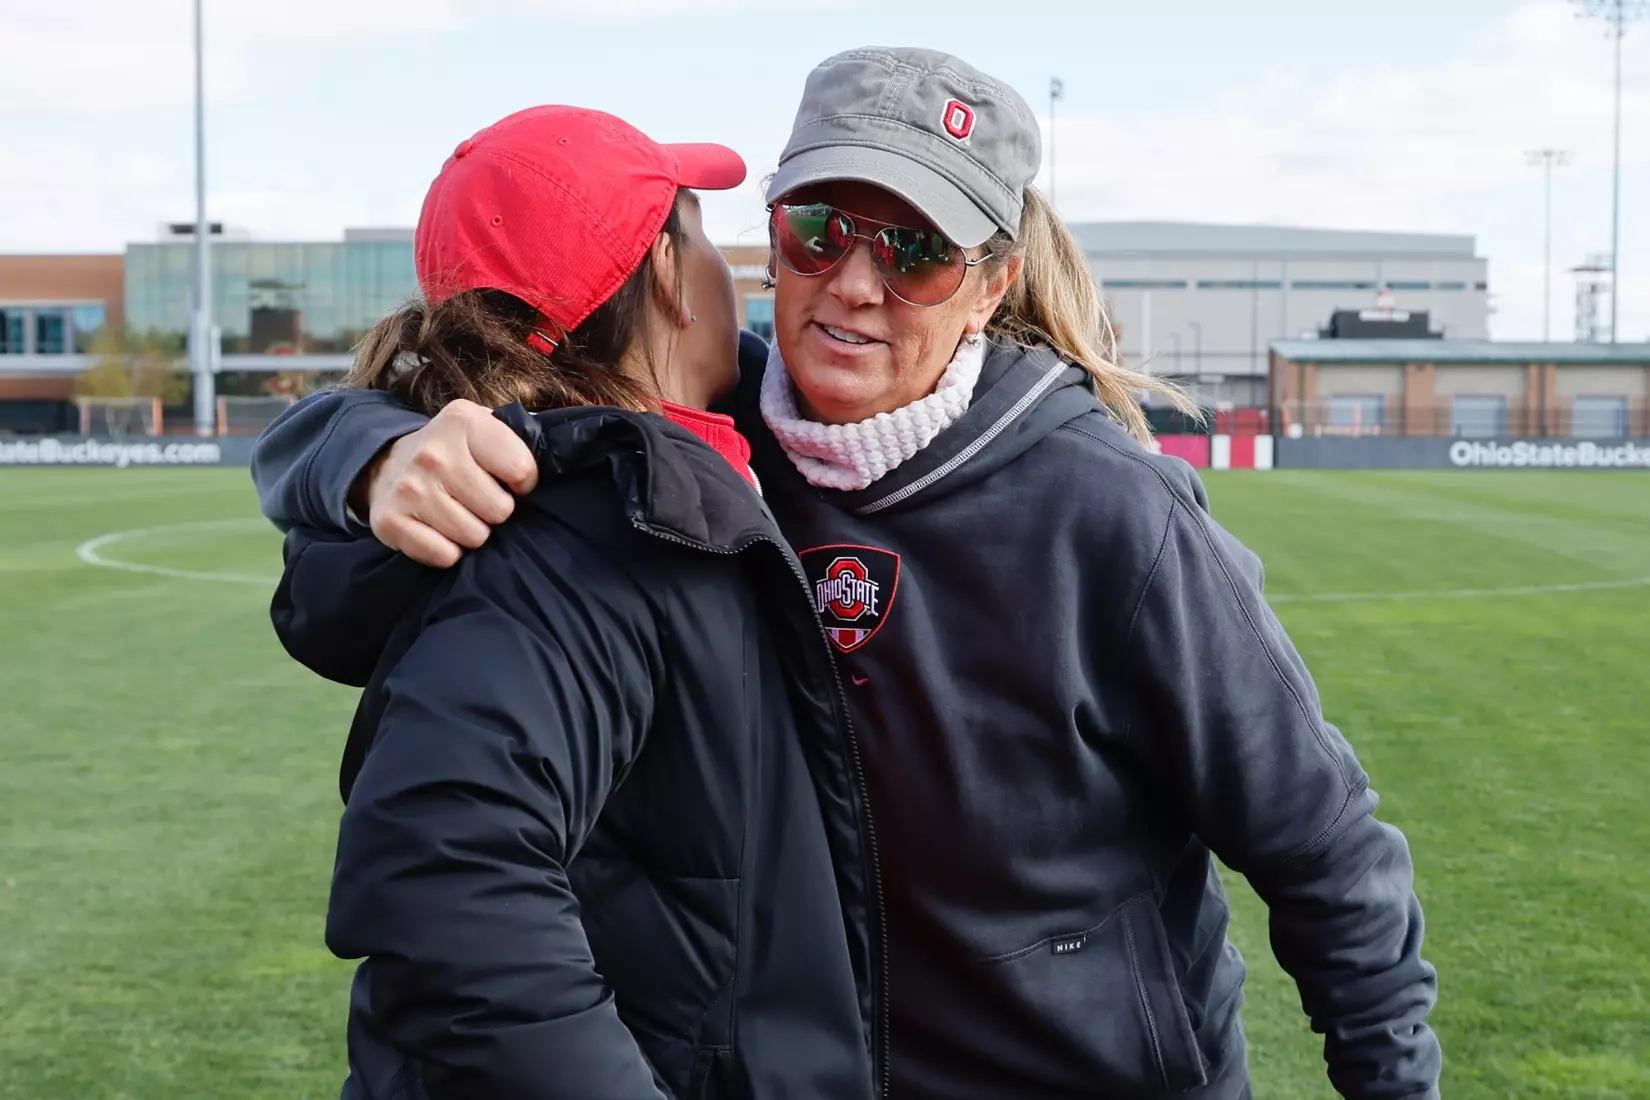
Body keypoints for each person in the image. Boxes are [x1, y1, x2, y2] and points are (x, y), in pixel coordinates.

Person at [253, 50, 1442, 1100]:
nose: (857, 283)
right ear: (762, 239)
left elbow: (1324, 844)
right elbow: (469, 361)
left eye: (917, 250)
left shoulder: (1109, 513)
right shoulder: (698, 444)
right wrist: (370, 455)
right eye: (821, 227)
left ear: (991, 282)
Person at [266, 103, 884, 1100]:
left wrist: (355, 447)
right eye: (703, 233)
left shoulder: (640, 474)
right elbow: (445, 875)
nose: (742, 276)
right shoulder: (578, 539)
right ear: (672, 280)